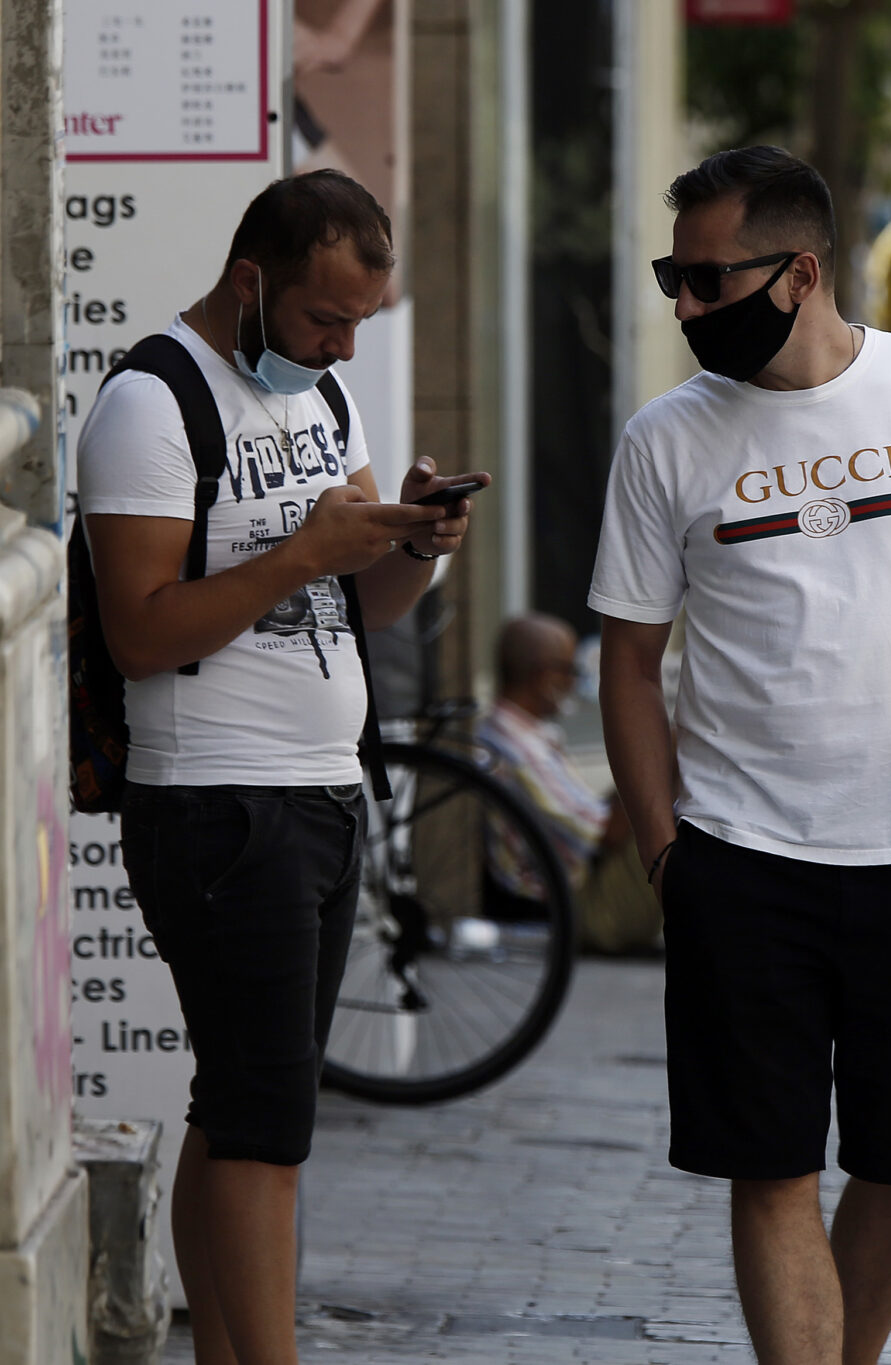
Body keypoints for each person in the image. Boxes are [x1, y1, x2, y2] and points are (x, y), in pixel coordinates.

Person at [589, 146, 891, 1365]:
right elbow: (627, 666)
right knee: (768, 1170)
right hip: (739, 859)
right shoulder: (664, 442)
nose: (684, 306)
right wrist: (667, 856)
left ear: (799, 272)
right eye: (674, 277)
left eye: (705, 280)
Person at [77, 170, 483, 1365]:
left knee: (244, 1107)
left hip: (315, 790)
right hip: (217, 798)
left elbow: (370, 606)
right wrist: (305, 549)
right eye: (322, 320)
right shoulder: (151, 402)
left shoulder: (322, 399)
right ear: (252, 283)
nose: (342, 345)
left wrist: (413, 545)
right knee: (268, 1124)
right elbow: (142, 630)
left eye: (360, 323)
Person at [476, 614, 661, 954]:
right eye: (569, 671)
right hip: (572, 906)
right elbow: (604, 835)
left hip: (580, 881)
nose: (574, 683)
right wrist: (663, 761)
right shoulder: (515, 747)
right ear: (545, 676)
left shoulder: (528, 733)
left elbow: (595, 819)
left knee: (667, 795)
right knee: (676, 815)